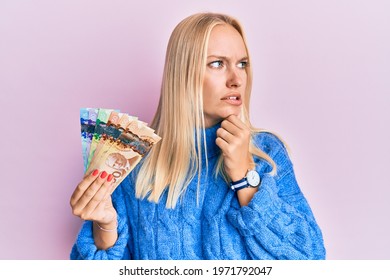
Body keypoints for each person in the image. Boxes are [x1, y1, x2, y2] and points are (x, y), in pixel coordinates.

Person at [70, 12, 326, 260]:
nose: (236, 79)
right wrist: (105, 224)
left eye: (242, 64)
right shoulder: (133, 160)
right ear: (183, 74)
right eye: (217, 63)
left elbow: (310, 258)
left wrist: (245, 177)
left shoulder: (267, 152)